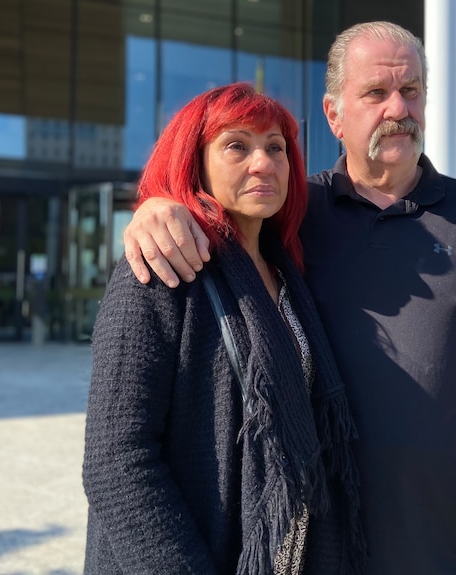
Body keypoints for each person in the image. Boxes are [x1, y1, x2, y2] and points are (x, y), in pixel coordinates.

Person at [123, 22, 456, 575]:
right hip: (323, 546)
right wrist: (155, 209)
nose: (399, 107)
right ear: (333, 115)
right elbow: (217, 217)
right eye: (376, 93)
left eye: (413, 91)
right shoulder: (294, 215)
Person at [82, 83, 364, 575]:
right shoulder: (160, 269)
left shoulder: (287, 271)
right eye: (237, 145)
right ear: (195, 159)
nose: (264, 162)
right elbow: (115, 463)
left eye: (276, 147)